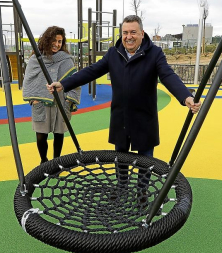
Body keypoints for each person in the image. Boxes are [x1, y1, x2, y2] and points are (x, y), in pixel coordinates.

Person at [47, 16, 201, 202]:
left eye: (133, 32)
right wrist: (64, 84)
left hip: (144, 117)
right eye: (125, 32)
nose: (129, 36)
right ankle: (121, 188)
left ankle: (142, 190)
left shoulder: (154, 54)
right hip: (121, 117)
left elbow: (168, 75)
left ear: (142, 34)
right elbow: (92, 71)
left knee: (145, 159)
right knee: (120, 158)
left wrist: (185, 97)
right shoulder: (114, 53)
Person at [23, 26, 81, 164]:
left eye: (60, 41)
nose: (57, 44)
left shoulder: (66, 59)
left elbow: (74, 80)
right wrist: (33, 100)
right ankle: (44, 161)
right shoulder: (36, 59)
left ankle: (56, 162)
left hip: (61, 101)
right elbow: (28, 81)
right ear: (47, 40)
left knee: (59, 134)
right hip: (41, 101)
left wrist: (69, 100)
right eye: (54, 41)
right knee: (41, 136)